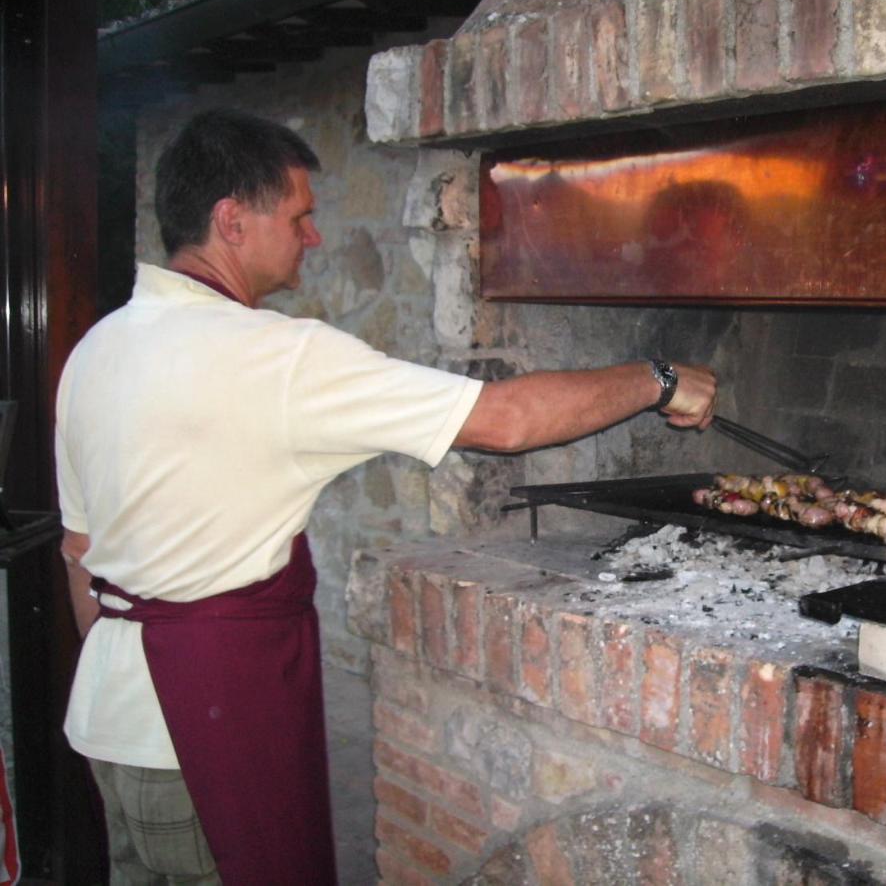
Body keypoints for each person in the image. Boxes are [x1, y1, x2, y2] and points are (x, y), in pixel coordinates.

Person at [55, 108, 717, 884]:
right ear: (231, 221)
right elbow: (503, 421)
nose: (314, 237)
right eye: (299, 216)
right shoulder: (278, 358)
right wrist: (657, 379)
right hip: (204, 739)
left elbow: (80, 556)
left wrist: (131, 702)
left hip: (108, 720)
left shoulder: (96, 349)